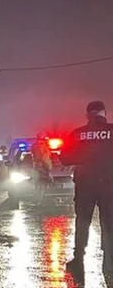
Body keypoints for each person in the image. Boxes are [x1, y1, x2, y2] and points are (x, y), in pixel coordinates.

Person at [59, 100, 113, 272]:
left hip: (85, 185)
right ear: (104, 113)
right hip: (109, 185)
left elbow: (65, 158)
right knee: (109, 222)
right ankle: (109, 259)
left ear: (88, 115)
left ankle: (79, 258)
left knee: (82, 221)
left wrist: (83, 158)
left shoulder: (77, 134)